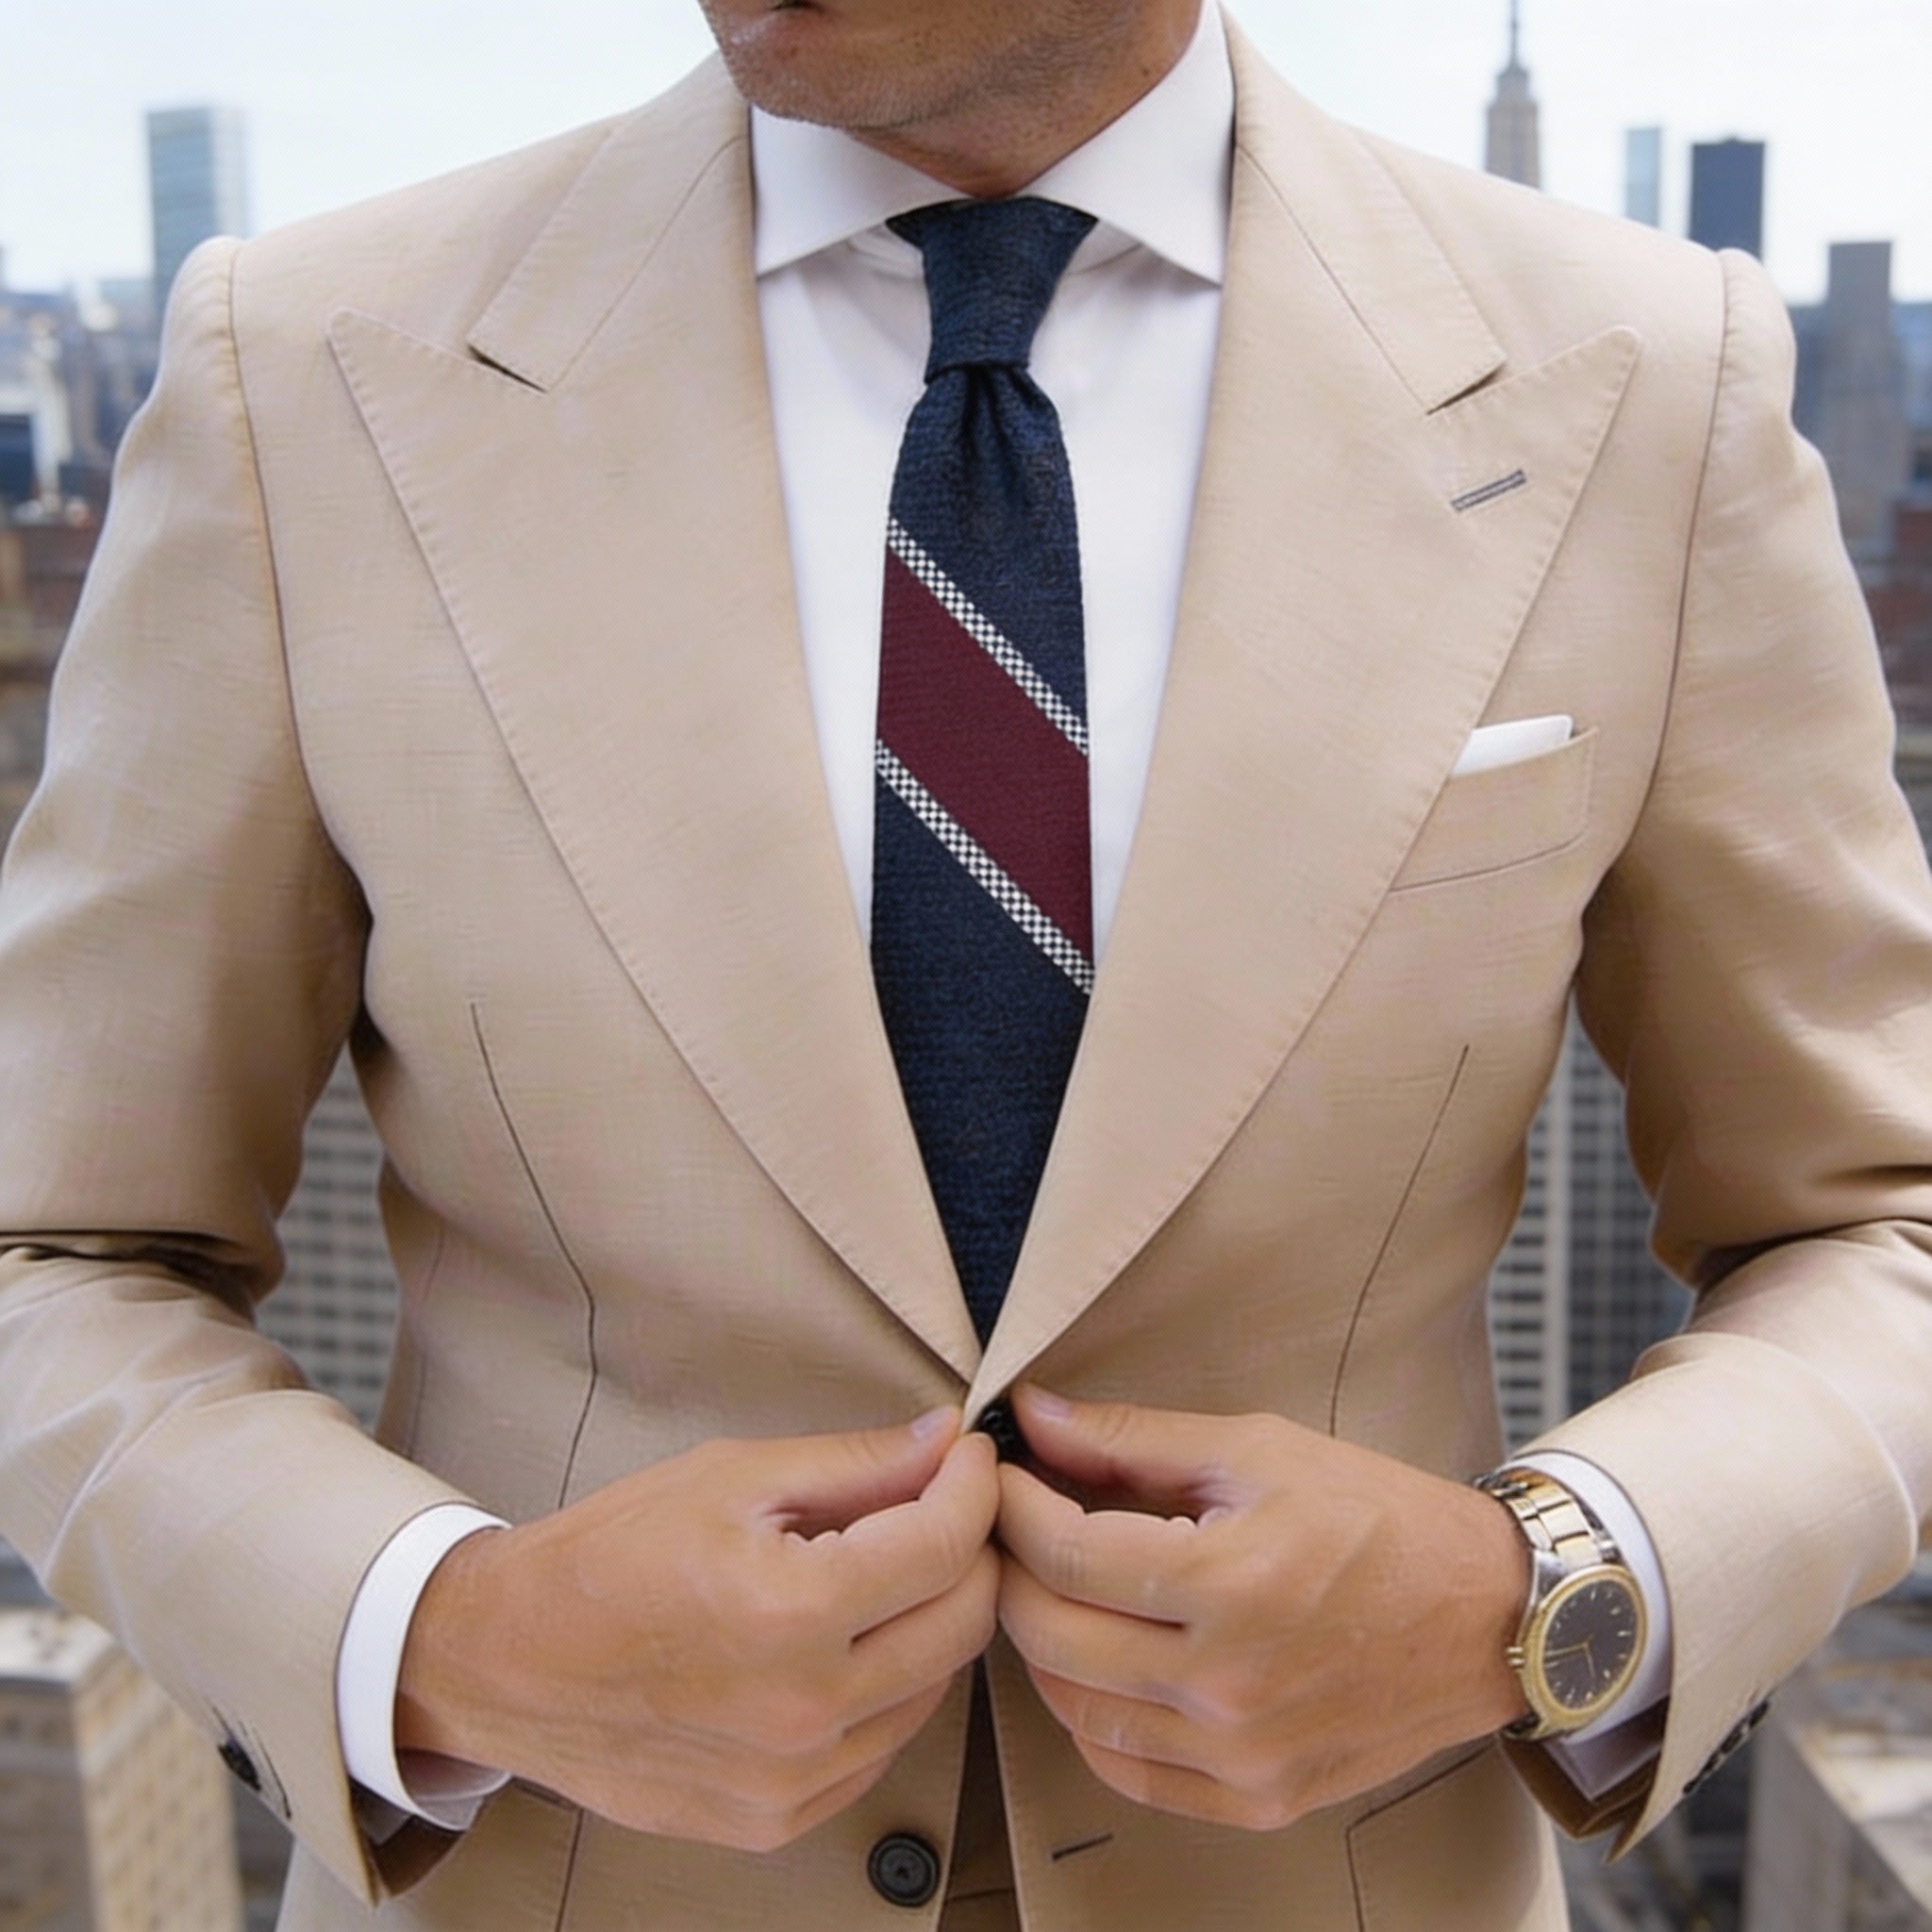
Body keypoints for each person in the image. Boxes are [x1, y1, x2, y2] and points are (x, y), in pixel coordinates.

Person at [1, 0, 1928, 1926]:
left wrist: (1540, 1596)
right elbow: (56, 1244)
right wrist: (455, 1637)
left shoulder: (1650, 383)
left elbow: (1877, 1221)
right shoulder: (306, 373)